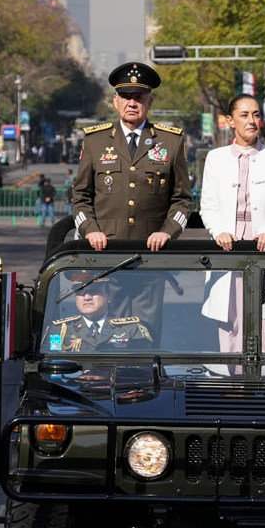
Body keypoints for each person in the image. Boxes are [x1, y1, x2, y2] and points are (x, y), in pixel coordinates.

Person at [71, 61, 193, 334]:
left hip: (149, 258)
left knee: (145, 333)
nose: (132, 103)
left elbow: (183, 200)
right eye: (125, 97)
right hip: (104, 257)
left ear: (149, 101)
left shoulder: (170, 142)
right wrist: (90, 230)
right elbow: (80, 196)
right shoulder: (96, 141)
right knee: (105, 333)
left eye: (138, 97)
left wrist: (168, 232)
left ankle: (144, 378)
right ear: (115, 101)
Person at [199, 94, 265, 351]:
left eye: (255, 115)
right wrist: (218, 231)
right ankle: (232, 387)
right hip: (228, 249)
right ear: (231, 121)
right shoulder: (216, 158)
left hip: (264, 248)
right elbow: (207, 207)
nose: (251, 121)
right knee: (229, 322)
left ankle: (263, 387)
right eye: (244, 115)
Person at [50, 273, 154, 353]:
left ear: (108, 295)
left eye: (93, 291)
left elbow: (142, 366)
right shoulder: (59, 331)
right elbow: (50, 365)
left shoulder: (131, 329)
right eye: (80, 292)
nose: (87, 297)